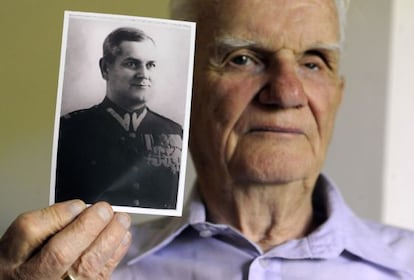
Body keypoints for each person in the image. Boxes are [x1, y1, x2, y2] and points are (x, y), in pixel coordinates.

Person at [1, 0, 414, 279]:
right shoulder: (82, 271)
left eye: (313, 62)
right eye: (243, 59)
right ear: (188, 91)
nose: (287, 94)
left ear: (338, 93)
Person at [55, 27, 183, 209]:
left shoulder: (175, 132)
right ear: (105, 68)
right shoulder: (70, 129)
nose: (144, 74)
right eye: (132, 64)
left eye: (150, 65)